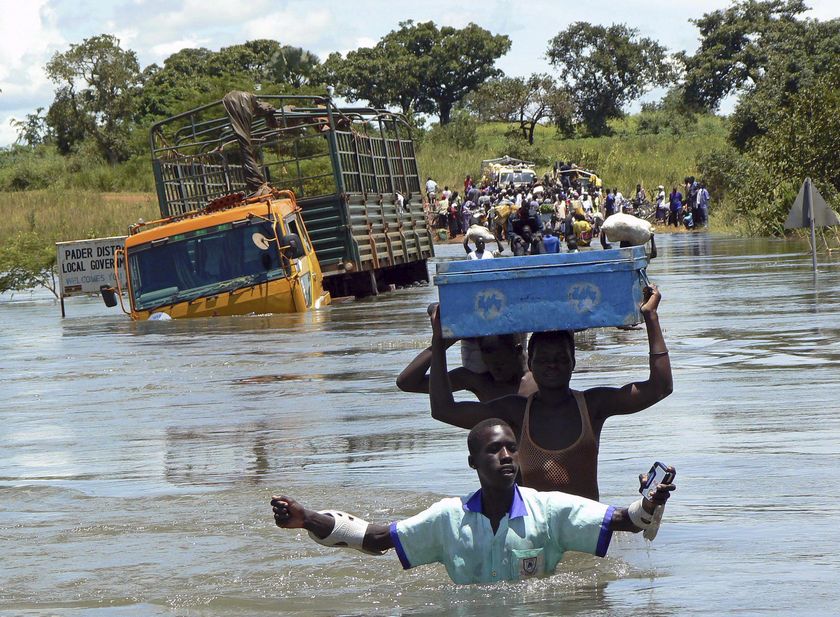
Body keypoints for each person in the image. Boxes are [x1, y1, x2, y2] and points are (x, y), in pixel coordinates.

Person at [270, 418, 677, 585]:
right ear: (472, 462)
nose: (506, 456)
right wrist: (307, 519)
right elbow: (376, 539)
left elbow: (625, 521)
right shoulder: (448, 518)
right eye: (494, 450)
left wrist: (649, 502)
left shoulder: (550, 511)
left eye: (512, 449)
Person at [428, 286, 672, 500]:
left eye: (560, 358)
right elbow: (443, 410)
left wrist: (651, 317)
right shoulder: (515, 411)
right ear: (530, 364)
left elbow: (660, 387)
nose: (552, 365)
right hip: (535, 537)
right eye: (543, 359)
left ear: (573, 362)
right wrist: (438, 340)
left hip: (586, 533)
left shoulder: (593, 405)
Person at [398, 331, 536, 402]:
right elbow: (407, 383)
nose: (493, 363)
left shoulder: (539, 376)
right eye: (486, 352)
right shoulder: (481, 381)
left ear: (517, 351)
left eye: (500, 364)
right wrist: (443, 341)